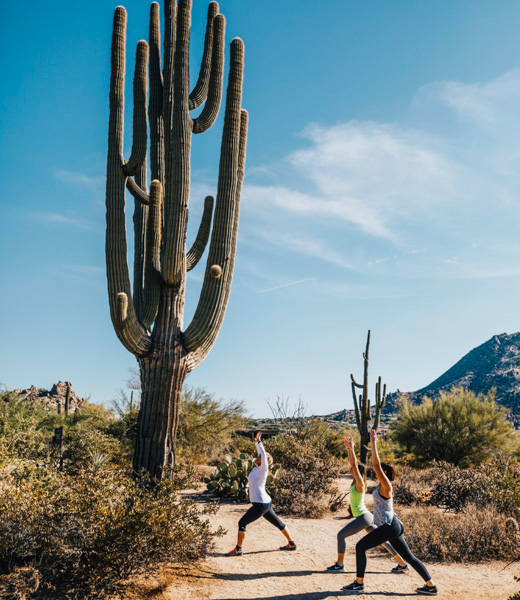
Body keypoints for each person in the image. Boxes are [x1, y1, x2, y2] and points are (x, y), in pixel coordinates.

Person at [342, 429, 438, 595]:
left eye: (380, 471)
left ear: (384, 474)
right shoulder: (381, 487)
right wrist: (352, 449)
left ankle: (359, 583)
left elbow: (376, 465)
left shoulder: (386, 486)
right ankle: (431, 586)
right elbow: (371, 467)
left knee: (360, 547)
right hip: (393, 525)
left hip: (389, 526)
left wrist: (373, 443)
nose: (376, 472)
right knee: (409, 557)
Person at [326, 437, 407, 574]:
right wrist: (349, 449)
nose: (351, 469)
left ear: (358, 472)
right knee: (382, 541)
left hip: (364, 517)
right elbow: (352, 464)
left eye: (354, 469)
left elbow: (354, 464)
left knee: (341, 535)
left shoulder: (360, 483)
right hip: (366, 516)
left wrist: (351, 448)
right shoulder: (355, 482)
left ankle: (340, 565)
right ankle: (402, 562)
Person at [225, 431, 296, 556]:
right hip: (265, 502)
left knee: (242, 523)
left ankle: (238, 549)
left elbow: (262, 454)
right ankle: (291, 543)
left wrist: (259, 442)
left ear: (264, 460)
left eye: (259, 456)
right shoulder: (256, 468)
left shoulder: (263, 469)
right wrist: (256, 444)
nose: (257, 457)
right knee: (279, 524)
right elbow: (261, 454)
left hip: (260, 504)